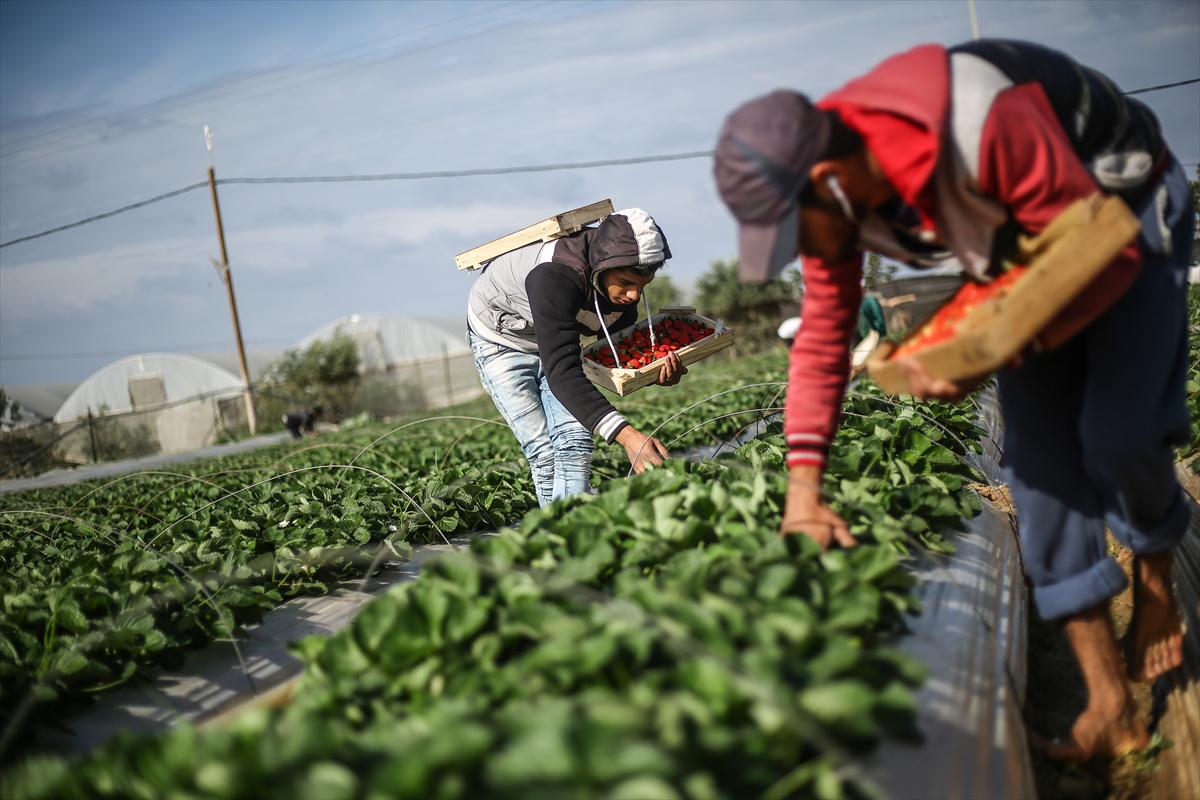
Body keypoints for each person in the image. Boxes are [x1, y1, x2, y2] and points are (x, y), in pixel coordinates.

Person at [714, 39, 1191, 760]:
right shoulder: (832, 207)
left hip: (1123, 211)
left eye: (793, 228)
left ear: (829, 177)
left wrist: (980, 354)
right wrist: (802, 491)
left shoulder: (975, 114)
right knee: (1037, 475)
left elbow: (1095, 251)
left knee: (1120, 433)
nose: (802, 246)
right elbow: (821, 340)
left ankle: (1155, 573)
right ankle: (1110, 707)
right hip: (1021, 252)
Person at [467, 208, 686, 507]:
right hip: (501, 340)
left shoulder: (619, 294)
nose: (633, 296)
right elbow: (564, 373)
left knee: (576, 440)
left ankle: (571, 531)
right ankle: (558, 539)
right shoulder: (556, 275)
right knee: (544, 452)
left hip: (557, 339)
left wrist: (651, 372)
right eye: (625, 282)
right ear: (600, 266)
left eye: (641, 287)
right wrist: (628, 437)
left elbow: (611, 358)